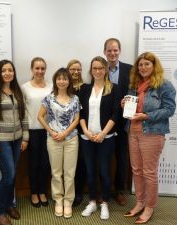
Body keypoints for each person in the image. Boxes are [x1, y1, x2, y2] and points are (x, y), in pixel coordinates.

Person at [123, 52, 176, 224]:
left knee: (149, 172)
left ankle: (149, 206)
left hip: (152, 133)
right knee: (136, 170)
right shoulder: (135, 85)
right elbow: (131, 108)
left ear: (154, 66)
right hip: (133, 131)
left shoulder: (164, 85)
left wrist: (146, 116)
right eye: (140, 65)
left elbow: (169, 110)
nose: (143, 67)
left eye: (147, 64)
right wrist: (125, 104)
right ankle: (140, 202)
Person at [0, 60, 29, 225]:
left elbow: (23, 115)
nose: (7, 73)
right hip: (1, 140)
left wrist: (25, 137)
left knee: (13, 173)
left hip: (17, 139)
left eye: (10, 70)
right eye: (4, 70)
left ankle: (10, 204)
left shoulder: (18, 90)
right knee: (9, 175)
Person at [79, 56, 120, 220]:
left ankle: (104, 203)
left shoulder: (114, 88)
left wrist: (103, 133)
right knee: (90, 170)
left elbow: (116, 114)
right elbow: (80, 113)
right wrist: (86, 131)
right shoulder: (84, 89)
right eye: (94, 68)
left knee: (104, 171)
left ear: (105, 70)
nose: (97, 71)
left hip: (106, 137)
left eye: (101, 68)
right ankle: (93, 201)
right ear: (91, 70)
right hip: (87, 137)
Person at [38, 68, 80, 218]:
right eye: (59, 79)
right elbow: (40, 116)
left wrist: (65, 133)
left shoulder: (75, 98)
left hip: (71, 140)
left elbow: (76, 119)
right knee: (56, 173)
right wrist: (51, 131)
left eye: (65, 79)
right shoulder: (49, 98)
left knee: (69, 173)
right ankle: (58, 200)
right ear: (55, 81)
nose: (62, 81)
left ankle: (68, 201)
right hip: (53, 140)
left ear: (69, 81)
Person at [103, 38, 132, 206]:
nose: (112, 53)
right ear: (104, 52)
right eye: (109, 50)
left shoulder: (130, 69)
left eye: (115, 50)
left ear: (119, 51)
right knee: (104, 158)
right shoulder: (99, 69)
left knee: (121, 158)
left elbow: (134, 92)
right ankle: (103, 190)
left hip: (123, 122)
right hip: (105, 122)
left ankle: (119, 190)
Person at [21, 57, 52, 207]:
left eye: (42, 68)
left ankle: (42, 192)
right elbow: (22, 112)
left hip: (48, 131)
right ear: (32, 69)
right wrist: (24, 135)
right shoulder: (25, 87)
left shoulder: (52, 87)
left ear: (45, 69)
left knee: (45, 164)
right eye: (37, 68)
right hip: (32, 131)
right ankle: (34, 193)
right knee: (33, 164)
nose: (40, 71)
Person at [67, 59, 86, 207]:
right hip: (66, 132)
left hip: (82, 130)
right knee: (68, 165)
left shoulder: (86, 88)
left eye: (78, 69)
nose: (76, 72)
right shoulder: (63, 87)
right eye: (73, 69)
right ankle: (68, 193)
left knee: (80, 164)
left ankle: (78, 193)